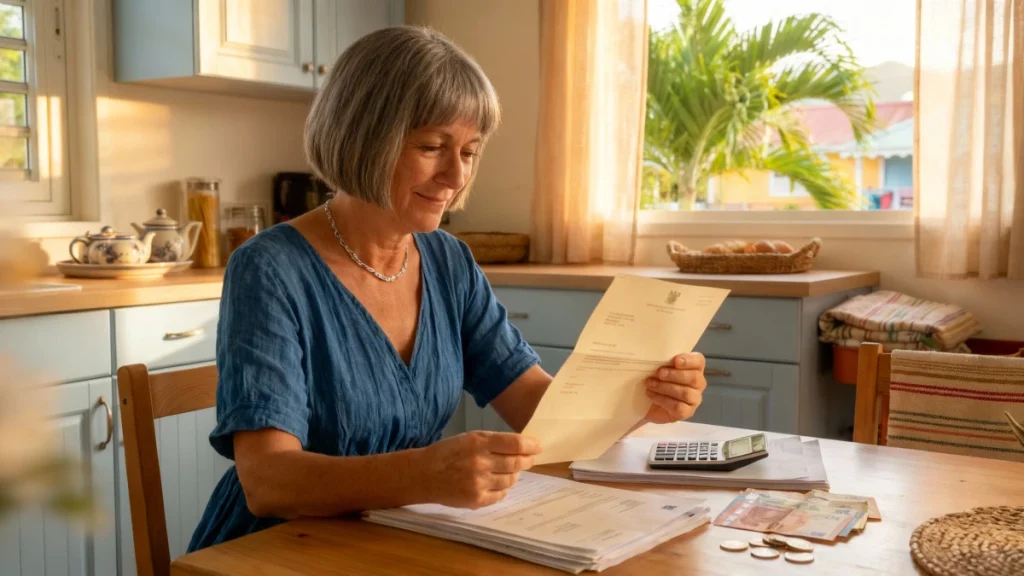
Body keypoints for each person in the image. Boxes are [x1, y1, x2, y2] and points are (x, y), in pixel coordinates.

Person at [188, 25, 708, 552]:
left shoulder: (448, 261)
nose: (455, 176)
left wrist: (638, 403)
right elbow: (268, 482)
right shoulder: (269, 269)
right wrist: (424, 476)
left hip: (398, 541)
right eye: (432, 146)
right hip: (272, 550)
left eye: (471, 152)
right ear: (363, 136)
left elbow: (535, 409)